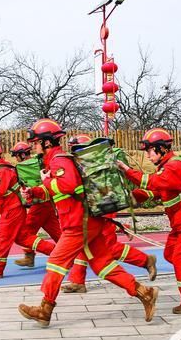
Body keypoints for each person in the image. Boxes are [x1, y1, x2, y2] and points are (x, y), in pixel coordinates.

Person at [17, 119, 158, 326]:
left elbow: (69, 185)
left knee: (56, 262)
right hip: (85, 221)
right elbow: (57, 190)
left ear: (47, 142)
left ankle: (45, 310)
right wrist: (34, 192)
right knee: (102, 265)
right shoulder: (54, 161)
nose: (33, 146)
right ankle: (144, 292)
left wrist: (46, 180)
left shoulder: (59, 160)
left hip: (79, 223)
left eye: (36, 142)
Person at [118, 128, 181, 314]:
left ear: (161, 148)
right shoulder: (168, 166)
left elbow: (153, 182)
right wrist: (138, 196)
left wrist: (127, 171)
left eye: (149, 150)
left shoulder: (174, 166)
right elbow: (161, 190)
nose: (147, 155)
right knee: (170, 254)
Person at [61, 135, 157, 293]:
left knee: (108, 247)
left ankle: (145, 260)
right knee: (84, 245)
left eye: (75, 147)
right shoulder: (83, 162)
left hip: (102, 207)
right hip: (92, 209)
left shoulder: (89, 162)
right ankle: (77, 280)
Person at [0, 141, 55, 279]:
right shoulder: (1, 168)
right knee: (23, 238)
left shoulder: (1, 170)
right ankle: (56, 253)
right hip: (15, 209)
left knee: (3, 239)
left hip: (11, 211)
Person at [9, 141, 62, 267]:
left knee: (26, 233)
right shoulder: (38, 163)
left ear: (22, 155)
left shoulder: (24, 168)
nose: (16, 159)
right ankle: (74, 254)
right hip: (47, 203)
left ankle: (35, 256)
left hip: (38, 205)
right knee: (57, 233)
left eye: (16, 155)